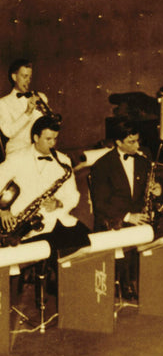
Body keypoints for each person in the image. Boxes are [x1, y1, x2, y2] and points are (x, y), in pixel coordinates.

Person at [0, 115, 90, 303]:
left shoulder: (63, 161)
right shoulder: (17, 158)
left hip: (56, 219)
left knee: (84, 237)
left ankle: (73, 294)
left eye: (55, 139)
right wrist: (3, 210)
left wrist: (59, 203)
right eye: (48, 139)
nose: (53, 143)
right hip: (25, 226)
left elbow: (73, 195)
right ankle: (59, 290)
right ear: (35, 137)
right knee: (56, 246)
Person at [90, 120, 162, 300]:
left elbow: (145, 192)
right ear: (118, 142)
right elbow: (100, 204)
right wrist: (128, 217)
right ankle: (126, 281)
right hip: (114, 218)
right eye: (132, 142)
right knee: (130, 232)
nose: (137, 146)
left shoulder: (143, 161)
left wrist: (157, 191)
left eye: (138, 141)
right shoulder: (102, 166)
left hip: (138, 214)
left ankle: (150, 277)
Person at [0, 58, 53, 157]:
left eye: (30, 77)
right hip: (17, 151)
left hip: (39, 150)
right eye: (25, 76)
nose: (28, 81)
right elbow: (8, 132)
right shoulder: (3, 103)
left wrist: (49, 119)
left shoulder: (40, 97)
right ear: (14, 77)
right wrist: (28, 112)